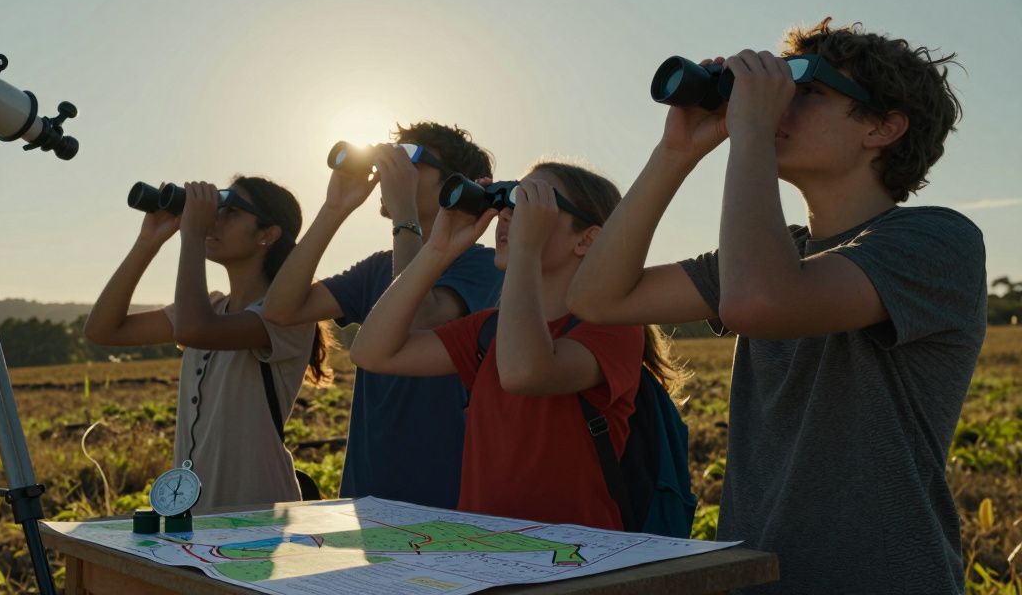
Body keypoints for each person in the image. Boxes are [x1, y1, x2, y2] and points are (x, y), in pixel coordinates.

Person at [567, 20, 984, 593]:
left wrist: (754, 135)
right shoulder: (771, 252)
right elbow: (597, 297)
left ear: (884, 127)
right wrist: (676, 153)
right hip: (757, 574)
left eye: (805, 88)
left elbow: (760, 301)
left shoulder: (937, 240)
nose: (779, 103)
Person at [349, 161, 683, 527]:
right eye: (508, 202)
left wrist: (525, 249)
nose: (508, 215)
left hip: (575, 556)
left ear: (586, 239)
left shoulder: (612, 329)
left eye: (531, 204)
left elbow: (524, 371)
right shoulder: (489, 330)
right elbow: (372, 352)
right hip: (484, 549)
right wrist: (438, 251)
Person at [263, 122, 502, 509]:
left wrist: (404, 213)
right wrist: (334, 208)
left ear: (454, 185)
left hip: (449, 496)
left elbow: (414, 319)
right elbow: (280, 309)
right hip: (368, 491)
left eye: (410, 160)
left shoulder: (485, 266)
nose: (392, 170)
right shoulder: (380, 268)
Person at [85, 177, 333, 512]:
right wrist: (148, 242)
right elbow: (104, 331)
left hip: (256, 507)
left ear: (267, 234)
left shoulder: (286, 315)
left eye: (230, 211)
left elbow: (194, 329)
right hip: (194, 508)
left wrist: (191, 236)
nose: (214, 219)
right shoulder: (213, 307)